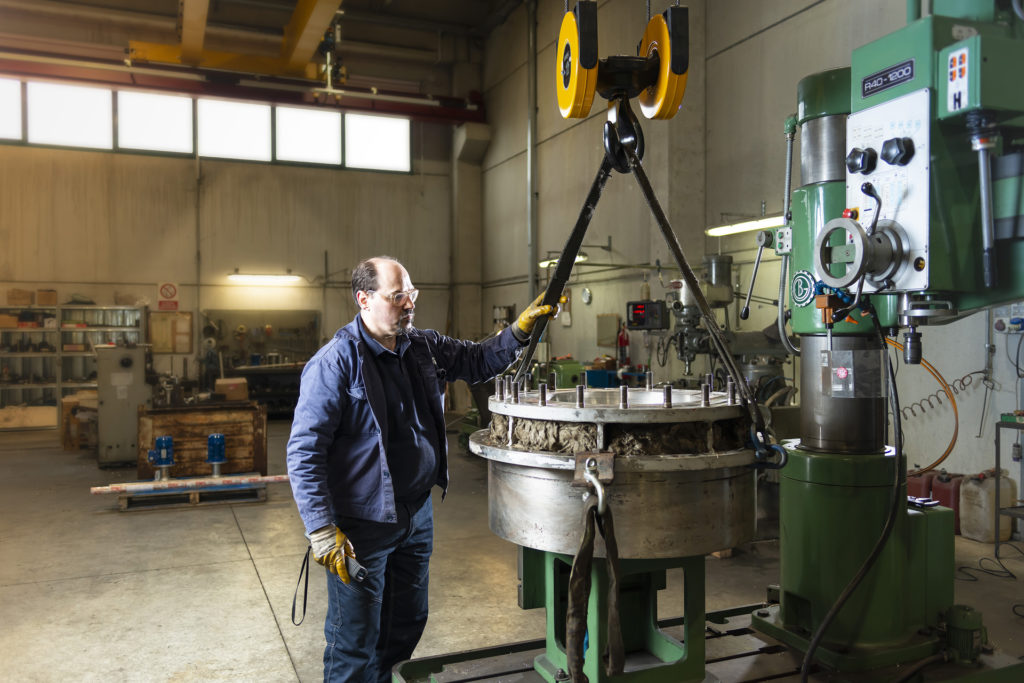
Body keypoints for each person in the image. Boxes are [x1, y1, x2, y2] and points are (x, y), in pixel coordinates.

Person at [287, 255, 557, 683]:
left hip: (415, 514)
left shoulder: (422, 345)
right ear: (364, 299)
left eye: (411, 295)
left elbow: (479, 359)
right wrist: (321, 529)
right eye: (398, 297)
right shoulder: (335, 362)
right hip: (362, 526)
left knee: (407, 623)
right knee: (354, 639)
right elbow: (304, 452)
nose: (409, 305)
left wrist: (519, 331)